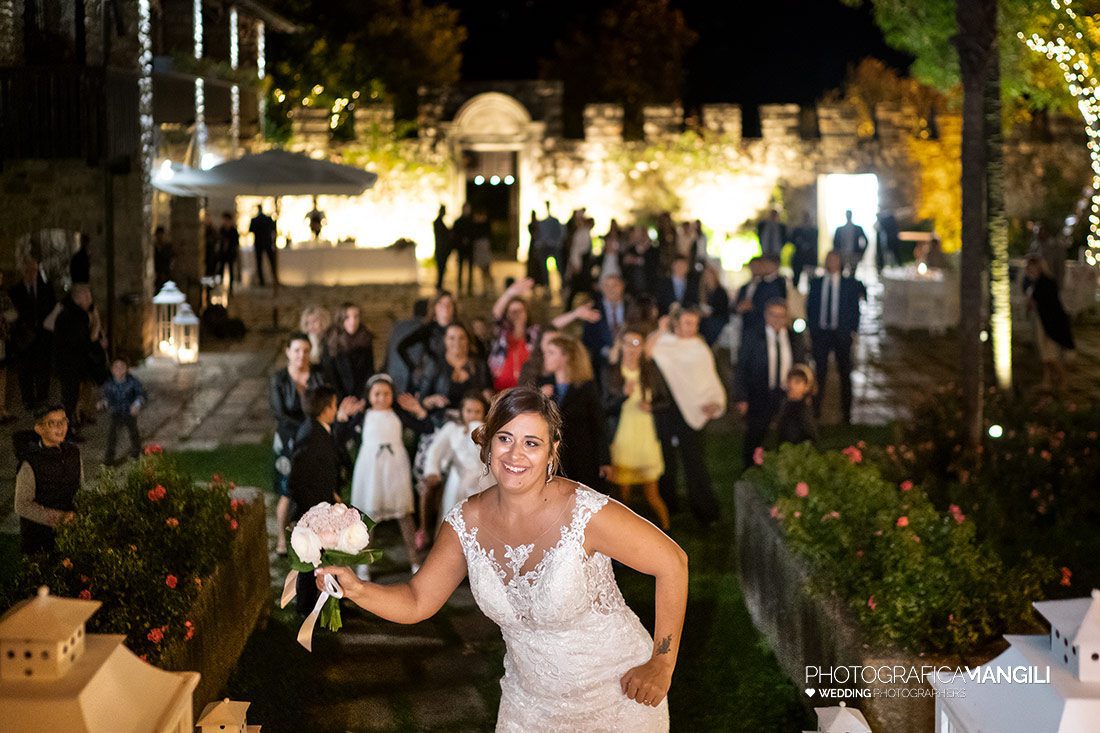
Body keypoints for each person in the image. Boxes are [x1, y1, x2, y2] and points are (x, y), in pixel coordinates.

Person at [317, 387, 688, 730]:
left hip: (618, 695)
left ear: (552, 451)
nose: (515, 454)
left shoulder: (585, 513)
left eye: (531, 443)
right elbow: (417, 600)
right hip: (528, 707)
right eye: (505, 438)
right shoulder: (465, 523)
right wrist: (357, 589)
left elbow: (672, 562)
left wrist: (662, 661)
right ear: (488, 444)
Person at [350, 374, 432, 577]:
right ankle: (364, 564)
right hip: (371, 468)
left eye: (386, 393)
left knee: (404, 512)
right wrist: (344, 417)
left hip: (395, 467)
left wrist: (419, 411)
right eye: (377, 393)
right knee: (368, 516)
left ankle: (414, 560)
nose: (381, 398)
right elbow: (342, 433)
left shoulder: (398, 415)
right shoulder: (363, 416)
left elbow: (426, 427)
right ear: (369, 395)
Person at [648, 306, 724, 526]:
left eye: (695, 324)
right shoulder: (664, 343)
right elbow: (647, 352)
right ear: (676, 323)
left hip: (694, 409)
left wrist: (715, 402)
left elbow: (709, 378)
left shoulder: (699, 347)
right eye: (687, 323)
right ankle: (667, 505)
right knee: (666, 460)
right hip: (668, 409)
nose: (692, 328)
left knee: (695, 460)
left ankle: (704, 510)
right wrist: (660, 330)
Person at [289, 385, 355, 615]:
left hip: (325, 505)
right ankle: (307, 609)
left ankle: (334, 604)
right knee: (311, 564)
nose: (336, 410)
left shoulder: (319, 429)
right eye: (334, 406)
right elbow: (298, 480)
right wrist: (315, 513)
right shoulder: (311, 437)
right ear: (326, 409)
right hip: (314, 511)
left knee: (328, 560)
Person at [605, 328, 669, 530]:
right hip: (622, 440)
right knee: (622, 496)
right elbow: (605, 408)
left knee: (652, 494)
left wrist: (652, 406)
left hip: (646, 438)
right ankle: (623, 536)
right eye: (628, 343)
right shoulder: (612, 372)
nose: (632, 349)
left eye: (637, 344)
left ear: (642, 347)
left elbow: (665, 400)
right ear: (621, 346)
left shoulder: (650, 371)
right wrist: (623, 396)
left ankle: (667, 533)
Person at [269, 332, 326, 556]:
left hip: (314, 438)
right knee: (287, 489)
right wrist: (307, 428)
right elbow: (280, 413)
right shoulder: (279, 379)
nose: (301, 355)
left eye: (305, 350)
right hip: (288, 440)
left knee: (316, 486)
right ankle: (281, 538)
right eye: (297, 350)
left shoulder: (318, 375)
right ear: (288, 352)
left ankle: (314, 535)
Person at [735, 299, 807, 469]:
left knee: (789, 435)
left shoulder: (794, 337)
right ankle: (750, 470)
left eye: (781, 316)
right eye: (773, 315)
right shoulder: (753, 335)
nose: (777, 319)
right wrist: (741, 397)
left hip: (787, 394)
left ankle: (785, 469)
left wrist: (803, 390)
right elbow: (742, 367)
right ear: (766, 315)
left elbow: (801, 365)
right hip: (760, 393)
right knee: (755, 436)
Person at [418, 391, 488, 548]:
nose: (473, 415)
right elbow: (435, 450)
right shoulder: (452, 428)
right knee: (454, 513)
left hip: (482, 480)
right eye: (469, 411)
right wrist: (432, 471)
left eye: (477, 412)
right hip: (457, 479)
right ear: (461, 411)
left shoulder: (487, 431)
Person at [542, 334, 610, 491]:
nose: (546, 357)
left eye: (551, 353)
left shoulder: (586, 388)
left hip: (582, 458)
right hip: (554, 459)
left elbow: (598, 425)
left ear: (566, 357)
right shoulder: (544, 387)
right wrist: (540, 398)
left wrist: (604, 460)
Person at [15, 404, 82, 555]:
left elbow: (80, 488)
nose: (60, 427)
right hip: (39, 538)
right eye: (52, 423)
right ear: (39, 429)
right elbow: (22, 505)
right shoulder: (30, 463)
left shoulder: (73, 453)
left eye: (63, 421)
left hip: (70, 532)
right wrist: (59, 518)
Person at [806, 251, 862, 424]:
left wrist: (852, 330)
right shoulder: (816, 283)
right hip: (821, 334)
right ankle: (816, 411)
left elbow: (854, 308)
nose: (831, 262)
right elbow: (810, 306)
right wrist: (812, 328)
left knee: (845, 372)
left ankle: (846, 413)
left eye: (834, 259)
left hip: (841, 334)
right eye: (828, 259)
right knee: (819, 372)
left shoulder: (849, 284)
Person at [1023, 255, 1076, 393]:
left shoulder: (1046, 282)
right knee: (1044, 354)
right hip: (1041, 321)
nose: (1029, 270)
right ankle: (1047, 381)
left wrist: (1033, 303)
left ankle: (1063, 379)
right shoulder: (1035, 282)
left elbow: (1050, 306)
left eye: (1032, 267)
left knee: (1049, 355)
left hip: (1049, 323)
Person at [9, 257, 55, 410]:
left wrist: (49, 329)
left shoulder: (46, 288)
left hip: (43, 335)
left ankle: (42, 397)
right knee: (25, 369)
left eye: (35, 271)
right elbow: (12, 314)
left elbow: (53, 309)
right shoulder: (15, 291)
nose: (32, 274)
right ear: (23, 272)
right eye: (29, 271)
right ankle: (28, 399)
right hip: (24, 336)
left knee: (43, 368)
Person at [52, 284, 95, 441]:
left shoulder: (66, 313)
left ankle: (68, 429)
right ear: (79, 298)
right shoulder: (78, 315)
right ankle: (66, 432)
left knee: (69, 398)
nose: (90, 300)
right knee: (70, 400)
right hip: (71, 364)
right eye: (87, 296)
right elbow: (82, 341)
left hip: (65, 363)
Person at [398, 291, 457, 390]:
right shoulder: (427, 329)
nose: (445, 307)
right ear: (435, 307)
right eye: (441, 304)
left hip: (452, 376)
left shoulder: (459, 329)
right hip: (430, 378)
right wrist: (414, 368)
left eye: (449, 304)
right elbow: (401, 347)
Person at [582, 273, 632, 383]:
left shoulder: (632, 307)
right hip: (602, 363)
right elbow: (587, 339)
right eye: (606, 286)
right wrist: (606, 351)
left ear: (622, 286)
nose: (611, 289)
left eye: (615, 285)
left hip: (629, 357)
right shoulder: (592, 310)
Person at [324, 302, 375, 400]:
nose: (353, 321)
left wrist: (364, 398)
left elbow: (369, 372)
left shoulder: (366, 339)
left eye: (356, 317)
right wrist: (342, 401)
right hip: (338, 398)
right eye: (347, 317)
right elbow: (330, 376)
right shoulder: (330, 341)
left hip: (362, 398)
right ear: (340, 319)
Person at [100, 359, 146, 465]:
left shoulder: (133, 382)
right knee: (113, 434)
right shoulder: (109, 383)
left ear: (126, 369)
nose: (119, 370)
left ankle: (137, 452)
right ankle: (109, 458)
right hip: (116, 412)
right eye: (116, 367)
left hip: (129, 412)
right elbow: (107, 397)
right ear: (112, 370)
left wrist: (137, 404)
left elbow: (141, 394)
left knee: (133, 432)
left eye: (122, 367)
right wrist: (104, 403)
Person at [385, 298, 429, 393]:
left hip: (392, 376)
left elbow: (388, 354)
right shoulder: (422, 329)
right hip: (409, 381)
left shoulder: (397, 326)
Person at [772, 364, 818, 447]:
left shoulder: (804, 407)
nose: (792, 386)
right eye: (790, 382)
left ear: (806, 386)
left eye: (797, 382)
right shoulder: (785, 404)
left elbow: (810, 432)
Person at [698, 265, 730, 346]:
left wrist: (710, 313)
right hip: (705, 318)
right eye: (706, 275)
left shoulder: (721, 291)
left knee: (709, 325)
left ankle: (707, 345)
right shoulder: (702, 291)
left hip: (718, 318)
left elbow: (723, 308)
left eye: (710, 275)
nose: (708, 277)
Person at [249, 205, 279, 286]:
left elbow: (251, 230)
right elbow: (273, 229)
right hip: (266, 243)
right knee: (270, 262)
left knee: (260, 263)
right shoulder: (267, 219)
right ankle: (274, 279)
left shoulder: (255, 220)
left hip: (260, 243)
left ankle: (263, 281)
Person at [832, 209, 868, 276]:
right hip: (842, 254)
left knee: (852, 275)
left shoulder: (858, 228)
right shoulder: (839, 229)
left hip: (854, 254)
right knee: (841, 274)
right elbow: (835, 242)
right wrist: (837, 254)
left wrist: (861, 252)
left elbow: (866, 240)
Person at [451, 203, 476, 296]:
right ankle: (460, 287)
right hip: (461, 249)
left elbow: (474, 234)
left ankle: (469, 288)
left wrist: (469, 240)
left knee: (470, 269)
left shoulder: (472, 222)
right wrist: (461, 241)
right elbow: (455, 235)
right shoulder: (458, 222)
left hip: (469, 249)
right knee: (460, 269)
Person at [790, 213, 819, 288]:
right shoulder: (797, 230)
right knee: (796, 279)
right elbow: (792, 241)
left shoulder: (814, 231)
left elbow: (814, 243)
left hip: (810, 258)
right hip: (799, 258)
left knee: (811, 280)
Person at [472, 209, 494, 295]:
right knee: (482, 270)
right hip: (480, 248)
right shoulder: (477, 225)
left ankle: (490, 286)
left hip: (484, 247)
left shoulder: (485, 225)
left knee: (487, 269)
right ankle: (485, 288)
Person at [218, 212, 241, 290]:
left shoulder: (233, 230)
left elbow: (236, 243)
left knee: (231, 270)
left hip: (230, 254)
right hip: (223, 254)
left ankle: (231, 287)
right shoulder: (222, 229)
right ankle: (220, 285)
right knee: (221, 269)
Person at [433, 205, 451, 290]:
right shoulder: (438, 223)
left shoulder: (439, 222)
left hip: (442, 249)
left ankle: (439, 285)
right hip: (441, 250)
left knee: (441, 269)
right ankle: (439, 285)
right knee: (440, 269)